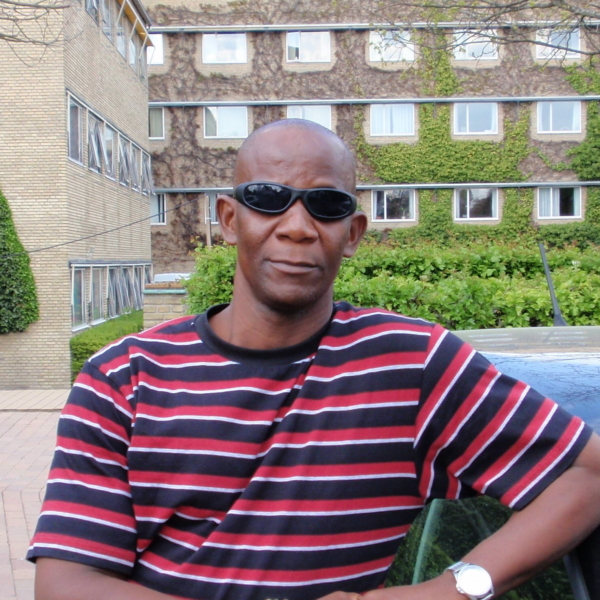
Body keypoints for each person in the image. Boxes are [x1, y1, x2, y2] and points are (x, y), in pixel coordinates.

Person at [29, 119, 600, 600]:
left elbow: (586, 473)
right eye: (268, 199)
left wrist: (443, 591)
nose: (298, 228)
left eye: (326, 206)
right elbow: (67, 581)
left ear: (352, 233)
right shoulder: (122, 376)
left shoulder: (412, 365)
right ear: (229, 219)